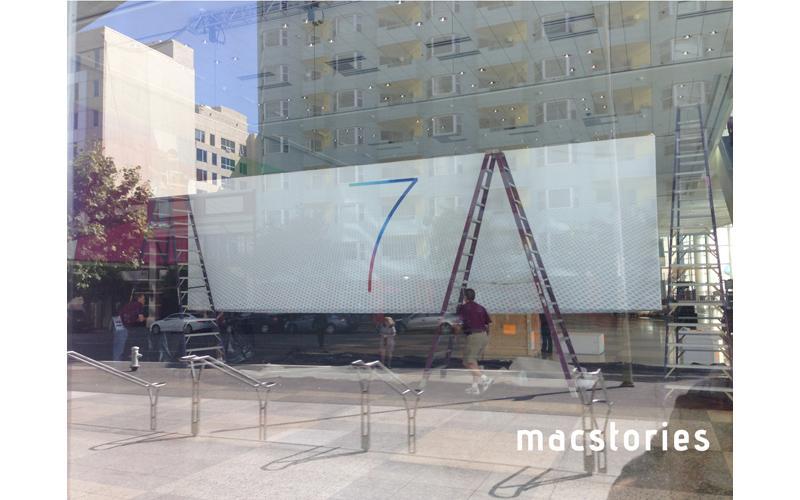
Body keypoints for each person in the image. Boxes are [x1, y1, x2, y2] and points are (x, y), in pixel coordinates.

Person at [456, 288, 494, 395]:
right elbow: (488, 324)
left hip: (474, 336)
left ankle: (486, 379)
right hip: (483, 336)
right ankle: (475, 387)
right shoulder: (481, 308)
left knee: (469, 362)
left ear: (465, 298)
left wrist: (456, 332)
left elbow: (458, 323)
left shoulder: (463, 308)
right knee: (473, 362)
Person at [116, 294, 145, 361]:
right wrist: (148, 319)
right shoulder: (139, 305)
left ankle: (123, 356)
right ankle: (133, 357)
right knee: (134, 342)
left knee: (125, 342)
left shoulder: (129, 305)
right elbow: (141, 319)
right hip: (131, 326)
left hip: (123, 325)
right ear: (139, 298)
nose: (144, 301)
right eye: (143, 299)